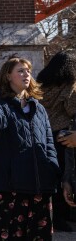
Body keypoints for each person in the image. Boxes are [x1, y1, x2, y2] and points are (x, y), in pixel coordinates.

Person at [0, 57, 59, 240]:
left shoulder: (38, 108)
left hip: (40, 185)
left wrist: (53, 171)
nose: (26, 74)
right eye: (21, 70)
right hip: (10, 187)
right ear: (8, 76)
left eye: (28, 71)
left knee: (40, 236)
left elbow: (49, 144)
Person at [37, 49, 76, 232]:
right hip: (62, 136)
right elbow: (71, 109)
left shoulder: (42, 85)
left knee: (49, 177)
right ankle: (63, 217)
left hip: (43, 134)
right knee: (64, 176)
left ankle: (49, 217)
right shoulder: (68, 86)